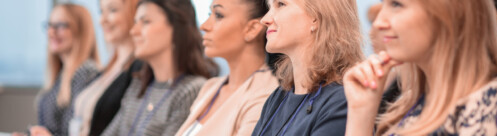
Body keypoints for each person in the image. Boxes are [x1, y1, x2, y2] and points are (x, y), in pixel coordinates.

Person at [344, 0, 497, 135]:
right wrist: (360, 114)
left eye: (397, 4)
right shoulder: (411, 106)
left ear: (449, 12)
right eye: (383, 3)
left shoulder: (490, 105)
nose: (378, 23)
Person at [101, 0, 218, 135]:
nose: (133, 31)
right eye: (135, 22)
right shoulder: (139, 84)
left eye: (145, 22)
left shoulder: (191, 90)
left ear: (176, 27)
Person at [252, 0, 364, 135]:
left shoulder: (342, 102)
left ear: (316, 17)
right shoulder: (279, 97)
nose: (265, 20)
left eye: (281, 4)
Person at [175, 0, 279, 135]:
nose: (204, 26)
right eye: (209, 14)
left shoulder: (266, 95)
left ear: (252, 29)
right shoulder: (210, 87)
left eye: (218, 15)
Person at [69, 0, 142, 135]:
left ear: (135, 13)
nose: (102, 20)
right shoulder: (107, 69)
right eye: (101, 11)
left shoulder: (138, 71)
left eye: (112, 10)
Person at [31, 3, 101, 136]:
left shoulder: (86, 73)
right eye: (50, 25)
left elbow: (74, 131)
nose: (51, 32)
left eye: (60, 26)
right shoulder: (61, 74)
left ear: (80, 30)